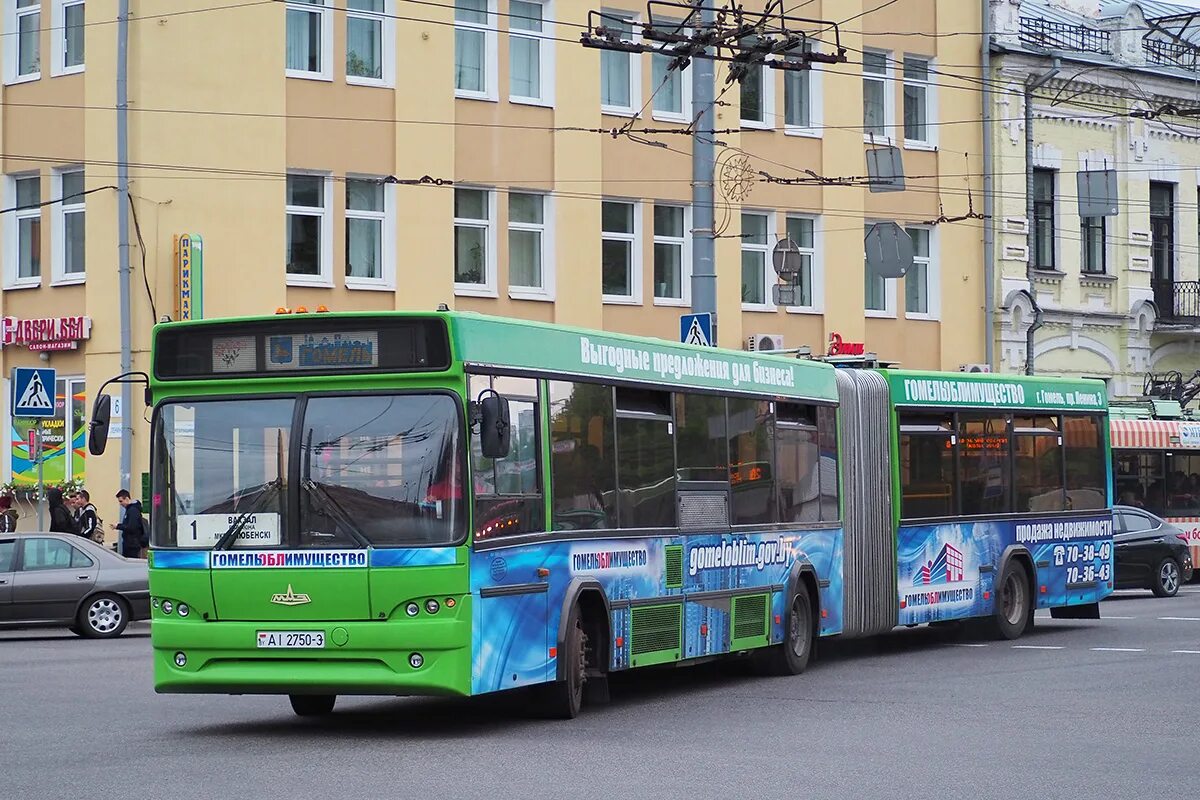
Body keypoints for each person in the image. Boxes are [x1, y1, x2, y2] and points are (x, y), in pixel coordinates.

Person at [111, 489, 147, 559]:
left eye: (121, 501)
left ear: (127, 499)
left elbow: (132, 527)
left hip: (132, 545)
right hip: (130, 543)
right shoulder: (130, 510)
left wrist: (118, 526)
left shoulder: (133, 510)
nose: (120, 504)